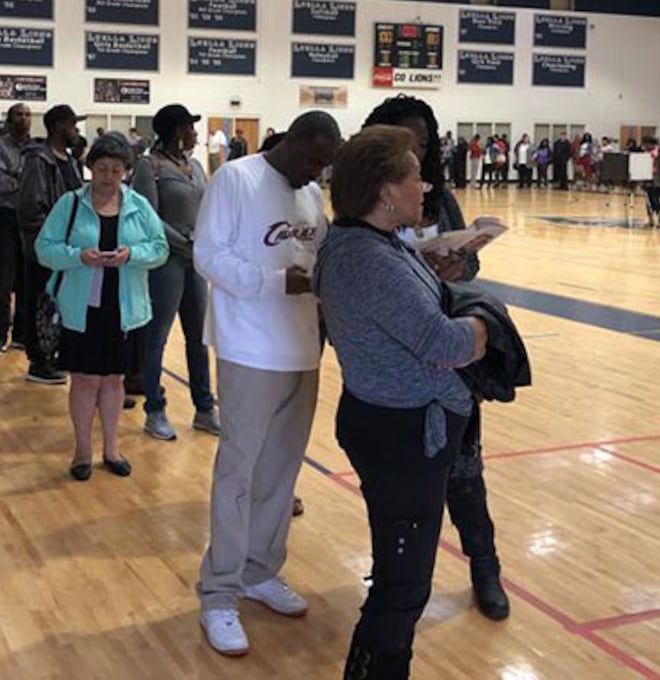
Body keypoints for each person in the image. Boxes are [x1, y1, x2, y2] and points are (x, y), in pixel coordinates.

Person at [315, 126, 488, 678]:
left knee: (403, 571)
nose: (426, 184)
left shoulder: (374, 243)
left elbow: (402, 311)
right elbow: (443, 343)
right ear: (386, 191)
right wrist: (486, 324)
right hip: (402, 435)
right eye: (416, 176)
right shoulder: (369, 258)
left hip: (399, 425)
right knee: (404, 581)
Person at [194, 111, 341, 657]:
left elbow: (320, 262)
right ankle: (219, 593)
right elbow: (209, 255)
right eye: (313, 160)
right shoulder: (237, 178)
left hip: (302, 349)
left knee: (280, 474)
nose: (316, 173)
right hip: (248, 348)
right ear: (294, 141)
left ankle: (260, 570)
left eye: (325, 166)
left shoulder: (308, 197)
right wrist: (278, 281)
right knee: (238, 473)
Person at [361, 94, 509, 624]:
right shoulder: (362, 210)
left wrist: (457, 262)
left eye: (423, 144)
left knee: (464, 470)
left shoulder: (439, 199)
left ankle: (485, 566)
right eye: (406, 142)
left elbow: (465, 265)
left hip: (447, 352)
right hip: (391, 358)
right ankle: (393, 571)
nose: (417, 153)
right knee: (396, 480)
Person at [36, 134, 168, 481]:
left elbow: (160, 248)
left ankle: (111, 448)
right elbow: (44, 248)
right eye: (101, 168)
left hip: (125, 309)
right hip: (81, 309)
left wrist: (131, 255)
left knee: (114, 380)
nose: (108, 176)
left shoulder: (138, 206)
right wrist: (78, 256)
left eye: (116, 169)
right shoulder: (70, 204)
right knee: (83, 381)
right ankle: (82, 451)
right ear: (90, 168)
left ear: (126, 171)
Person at [130, 104, 218, 442]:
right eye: (190, 127)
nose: (195, 133)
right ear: (176, 131)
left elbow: (208, 208)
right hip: (166, 262)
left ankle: (205, 408)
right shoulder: (148, 166)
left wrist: (205, 242)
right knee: (157, 339)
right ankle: (155, 409)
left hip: (195, 261)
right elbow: (147, 216)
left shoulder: (195, 166)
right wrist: (185, 243)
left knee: (199, 338)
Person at [19, 105, 86, 384]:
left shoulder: (69, 160)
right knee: (39, 302)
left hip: (66, 248)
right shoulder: (39, 160)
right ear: (59, 126)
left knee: (58, 303)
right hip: (46, 247)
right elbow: (31, 207)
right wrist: (52, 239)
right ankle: (38, 361)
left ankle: (54, 354)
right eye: (73, 125)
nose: (76, 131)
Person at [0, 103, 33, 356]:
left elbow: (39, 185)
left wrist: (18, 176)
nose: (23, 119)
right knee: (2, 281)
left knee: (28, 280)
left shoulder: (37, 149)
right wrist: (26, 180)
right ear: (9, 119)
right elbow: (0, 183)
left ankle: (22, 334)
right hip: (5, 217)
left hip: (30, 220)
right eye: (18, 115)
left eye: (27, 115)